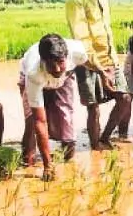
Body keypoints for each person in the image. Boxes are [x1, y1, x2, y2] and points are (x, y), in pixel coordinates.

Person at [65, 0, 131, 149]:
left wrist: (112, 61)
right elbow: (82, 38)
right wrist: (101, 70)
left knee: (124, 98)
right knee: (93, 108)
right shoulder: (75, 0)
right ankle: (95, 147)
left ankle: (105, 137)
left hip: (110, 58)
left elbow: (106, 28)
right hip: (88, 61)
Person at [19, 34, 89, 181]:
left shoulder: (77, 52)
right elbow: (40, 121)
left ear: (67, 57)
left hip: (65, 78)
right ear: (43, 61)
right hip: (37, 81)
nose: (57, 68)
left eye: (60, 62)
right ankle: (28, 162)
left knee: (66, 122)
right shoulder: (33, 73)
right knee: (32, 122)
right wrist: (47, 166)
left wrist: (97, 77)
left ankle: (69, 164)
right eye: (51, 64)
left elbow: (86, 64)